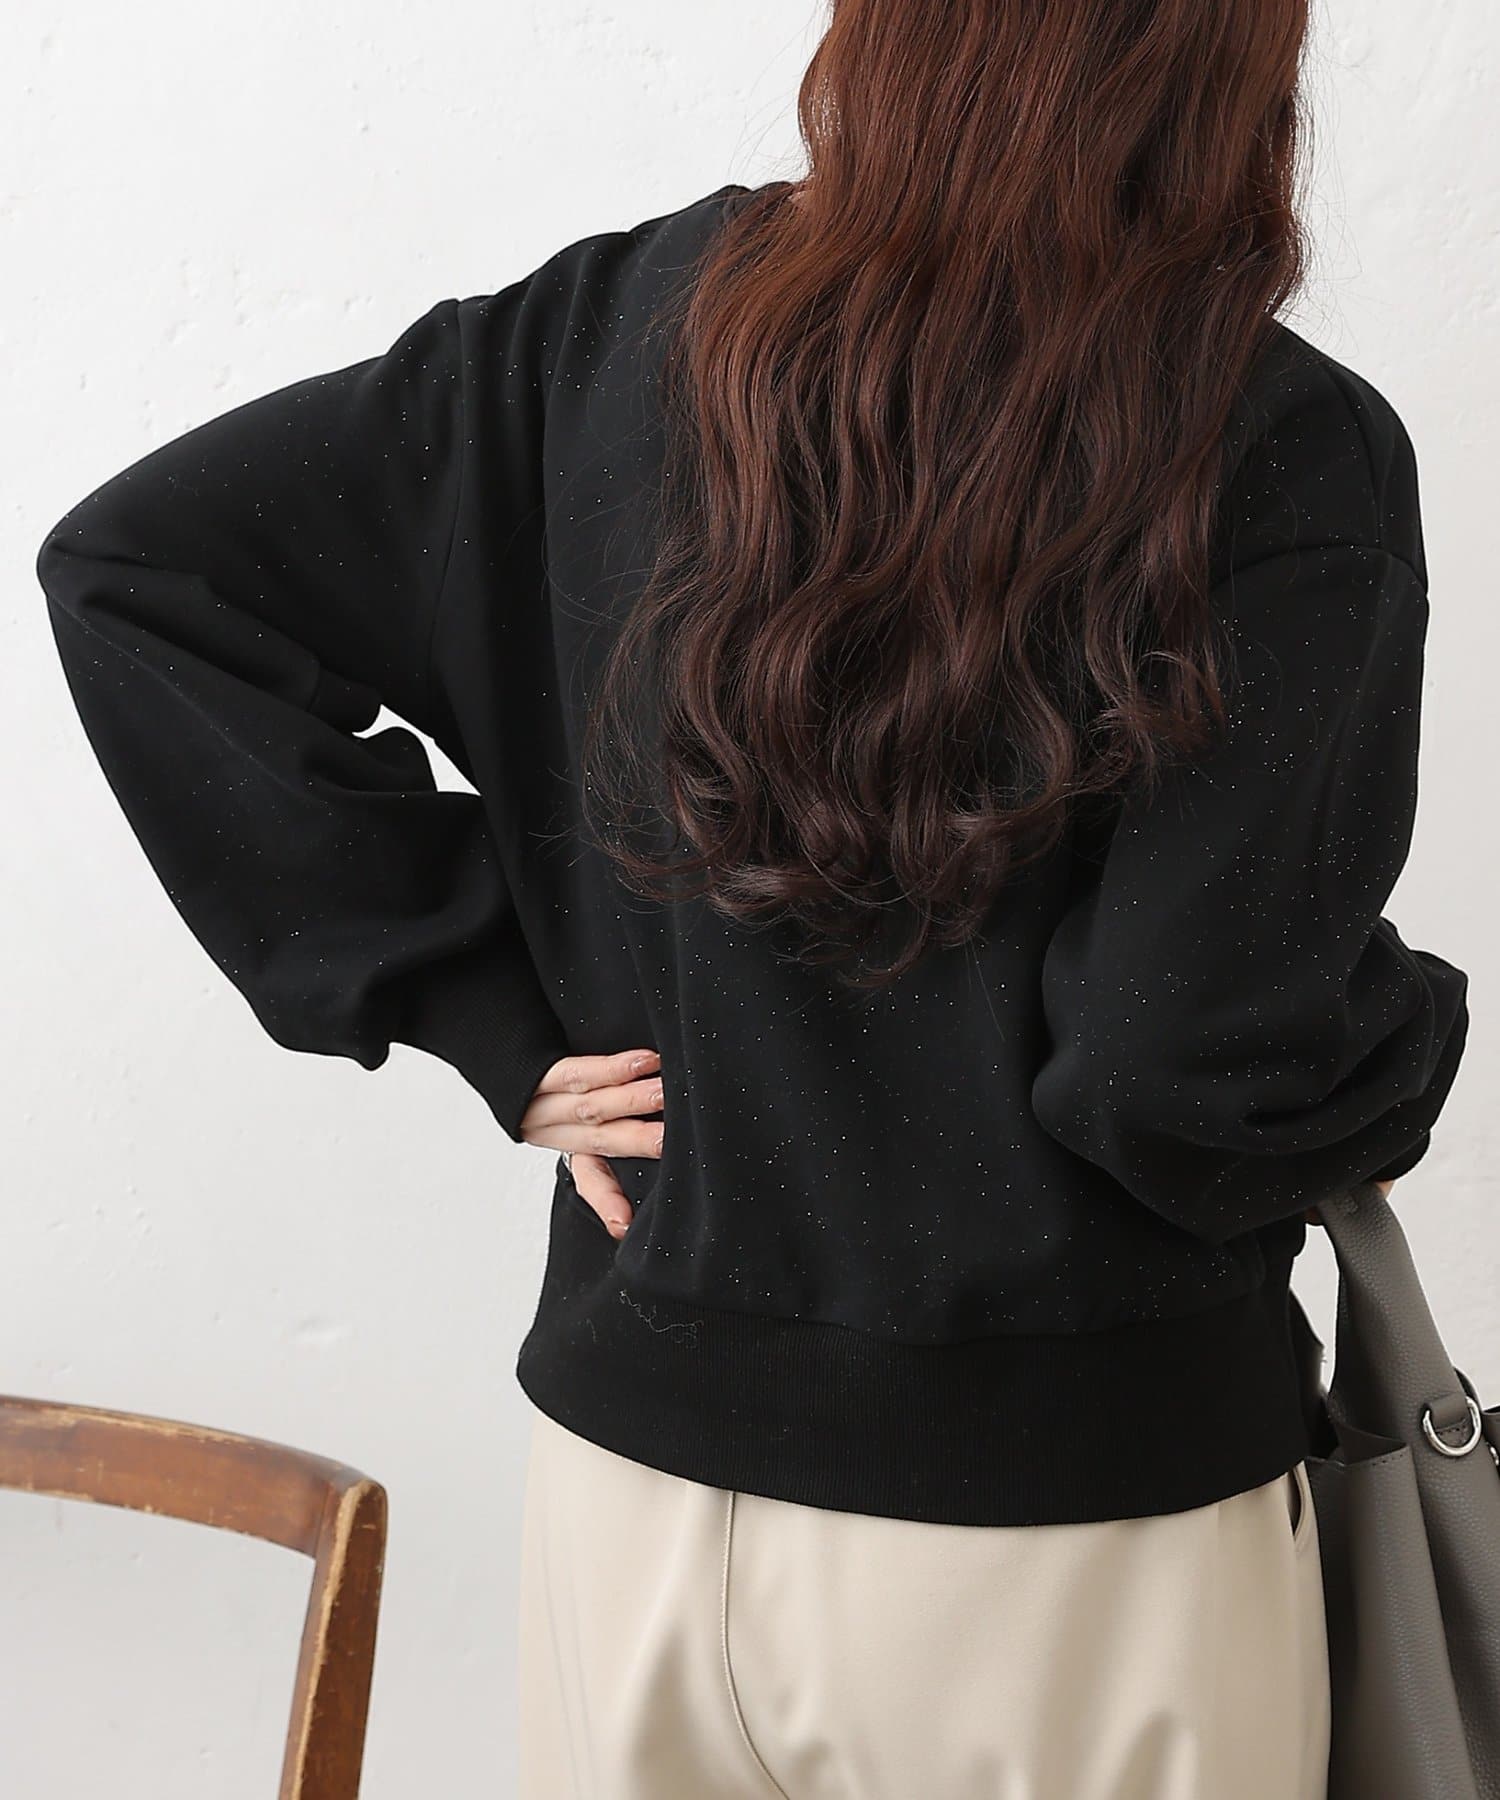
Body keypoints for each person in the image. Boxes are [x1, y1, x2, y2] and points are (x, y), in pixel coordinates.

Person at [35, 1, 1470, 1795]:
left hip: (634, 1494)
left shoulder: (598, 335)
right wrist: (1408, 1041)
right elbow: (1180, 1067)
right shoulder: (1279, 438)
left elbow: (141, 570)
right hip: (1072, 1520)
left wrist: (483, 999)